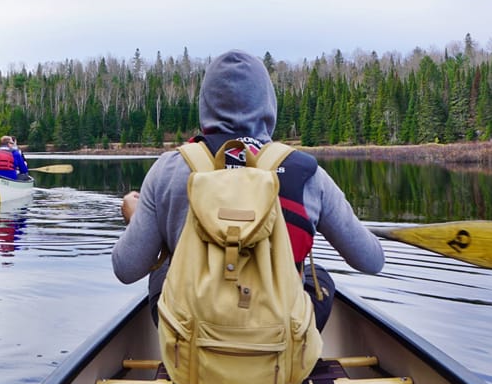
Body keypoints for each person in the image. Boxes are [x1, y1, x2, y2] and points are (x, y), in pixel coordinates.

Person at [111, 50, 384, 329]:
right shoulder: (307, 173)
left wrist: (136, 220)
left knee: (165, 270)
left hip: (192, 342)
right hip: (278, 345)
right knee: (320, 278)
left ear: (205, 103)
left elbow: (126, 269)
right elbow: (371, 260)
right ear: (268, 104)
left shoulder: (167, 169)